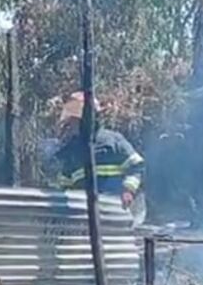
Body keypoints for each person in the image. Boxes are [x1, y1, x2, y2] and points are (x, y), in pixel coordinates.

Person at [54, 92, 145, 221]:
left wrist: (128, 191)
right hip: (85, 217)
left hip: (117, 212)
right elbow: (64, 185)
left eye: (73, 121)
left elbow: (136, 166)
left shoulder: (114, 141)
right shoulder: (72, 150)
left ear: (85, 119)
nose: (71, 126)